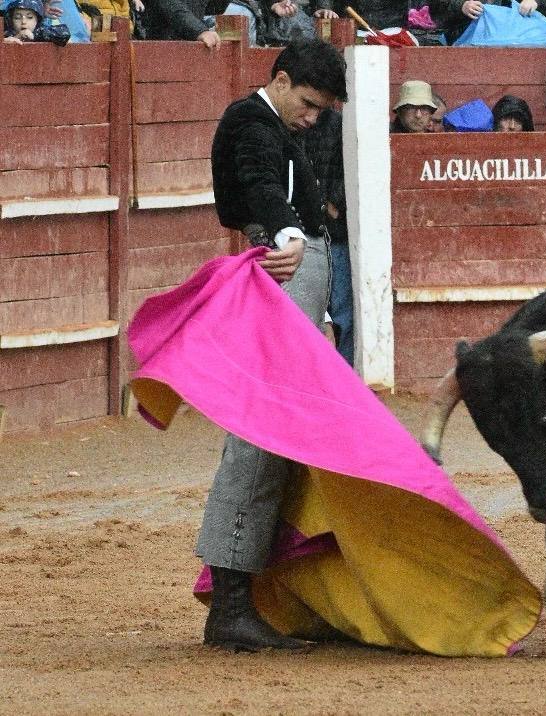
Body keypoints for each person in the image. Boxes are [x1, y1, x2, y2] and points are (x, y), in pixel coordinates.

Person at [203, 37, 347, 652]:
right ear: (282, 80)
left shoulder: (277, 126)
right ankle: (232, 604)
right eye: (310, 104)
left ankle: (259, 593)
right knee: (264, 429)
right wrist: (285, 234)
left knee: (283, 434)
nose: (313, 119)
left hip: (296, 270)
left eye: (321, 112)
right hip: (286, 267)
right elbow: (258, 187)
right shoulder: (251, 120)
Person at [302, 106, 354, 366]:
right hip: (304, 233)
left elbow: (353, 168)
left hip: (333, 233)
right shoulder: (290, 123)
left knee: (340, 310)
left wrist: (332, 204)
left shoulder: (340, 125)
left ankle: (340, 374)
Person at [431, 0, 546, 45]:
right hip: (468, 50)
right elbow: (436, 8)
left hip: (523, 54)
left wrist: (537, 2)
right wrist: (461, 6)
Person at [142, 0, 259, 47]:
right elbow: (170, 5)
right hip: (162, 47)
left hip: (189, 44)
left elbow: (213, 8)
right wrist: (199, 30)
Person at [2, 0, 70, 43]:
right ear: (11, 20)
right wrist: (15, 38)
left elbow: (64, 33)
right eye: (17, 18)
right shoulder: (6, 34)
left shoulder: (41, 30)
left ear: (37, 20)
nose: (23, 22)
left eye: (30, 17)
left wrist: (34, 35)